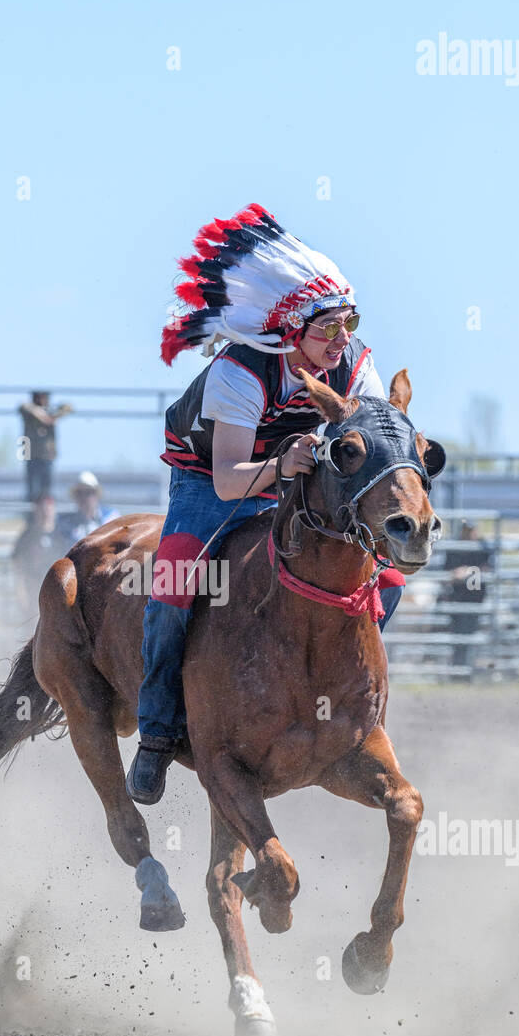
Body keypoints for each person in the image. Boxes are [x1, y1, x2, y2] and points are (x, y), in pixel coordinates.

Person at [127, 203, 400, 805]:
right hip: (210, 480)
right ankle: (156, 732)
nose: (341, 340)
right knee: (172, 584)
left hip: (299, 478)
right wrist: (282, 464)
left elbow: (373, 436)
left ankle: (350, 700)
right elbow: (227, 480)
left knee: (393, 580)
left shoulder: (358, 366)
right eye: (327, 328)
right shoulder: (242, 371)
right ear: (292, 330)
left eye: (347, 324)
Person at [439, 520, 490, 672]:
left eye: (471, 530)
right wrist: (456, 575)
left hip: (475, 598)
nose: (469, 534)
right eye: (466, 530)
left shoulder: (482, 547)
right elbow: (447, 573)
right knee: (457, 636)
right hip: (457, 598)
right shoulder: (455, 548)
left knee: (471, 635)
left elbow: (487, 570)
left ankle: (467, 670)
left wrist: (467, 571)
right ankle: (458, 669)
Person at [17, 391, 74, 510]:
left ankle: (45, 514)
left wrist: (51, 415)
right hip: (31, 456)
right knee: (32, 491)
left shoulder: (51, 412)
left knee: (46, 492)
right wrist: (44, 416)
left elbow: (69, 408)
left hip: (47, 456)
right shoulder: (28, 410)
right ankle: (31, 517)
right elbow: (24, 407)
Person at [13, 493, 67, 614]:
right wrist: (20, 592)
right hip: (32, 591)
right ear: (36, 510)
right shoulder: (27, 536)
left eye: (48, 507)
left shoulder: (61, 537)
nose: (45, 511)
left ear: (53, 510)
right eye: (42, 507)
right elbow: (18, 566)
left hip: (55, 593)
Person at [57, 471, 119, 543]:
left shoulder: (111, 518)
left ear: (96, 495)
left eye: (88, 492)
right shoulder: (66, 526)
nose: (84, 497)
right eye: (79, 493)